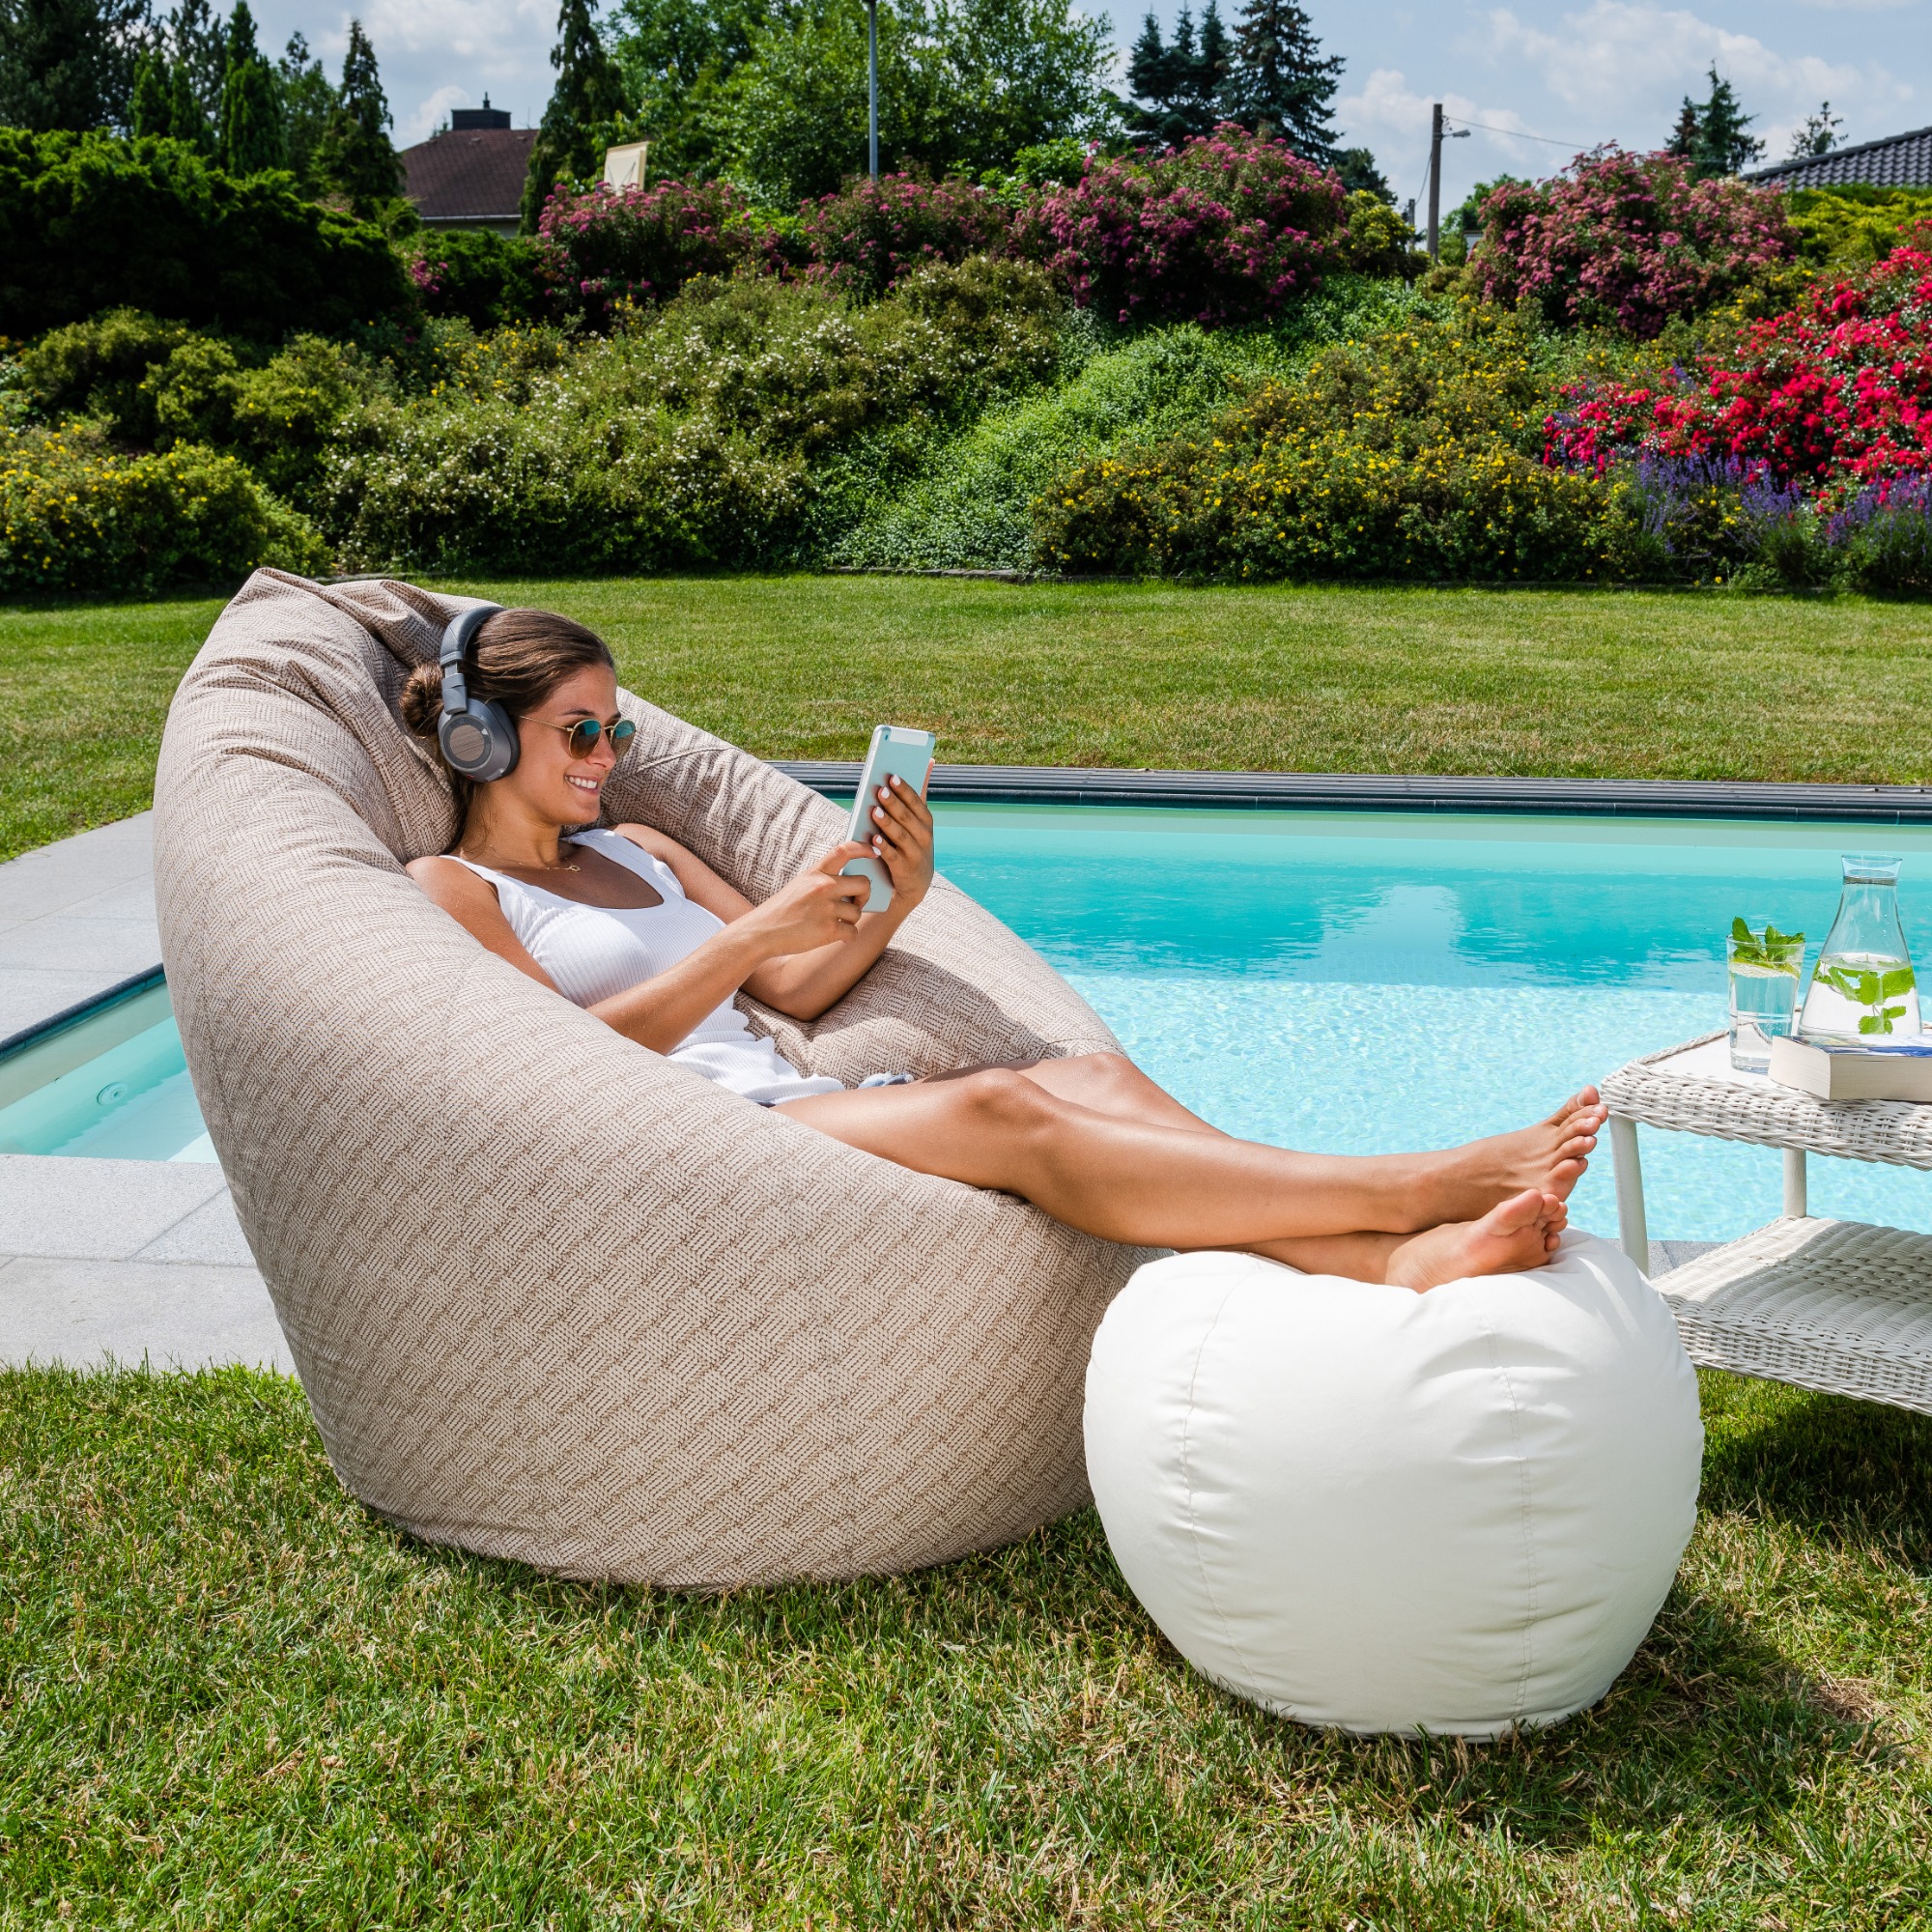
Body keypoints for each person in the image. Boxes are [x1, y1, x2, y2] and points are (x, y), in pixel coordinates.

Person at [403, 610, 1607, 1293]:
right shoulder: (454, 888)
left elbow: (792, 984)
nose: (605, 756)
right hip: (695, 1136)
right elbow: (561, 1060)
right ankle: (1408, 1187)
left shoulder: (642, 845)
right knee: (1000, 1105)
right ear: (479, 737)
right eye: (577, 731)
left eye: (614, 731)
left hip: (788, 1099)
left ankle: (1401, 1262)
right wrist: (755, 932)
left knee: (1086, 1074)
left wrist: (894, 896)